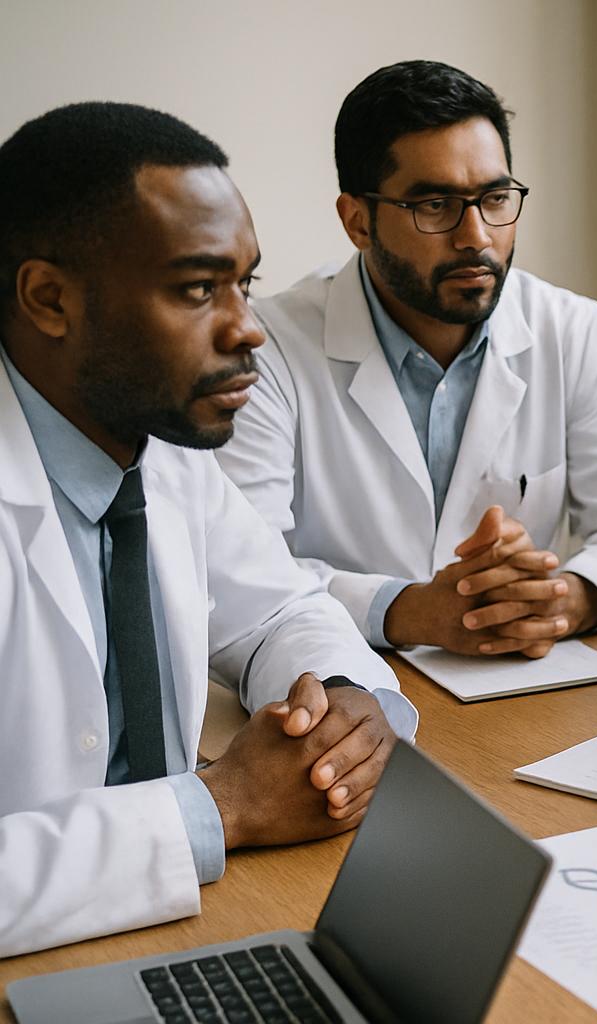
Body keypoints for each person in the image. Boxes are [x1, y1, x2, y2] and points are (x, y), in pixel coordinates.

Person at [0, 102, 417, 957]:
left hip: (174, 926)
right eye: (198, 289)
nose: (247, 329)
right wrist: (224, 805)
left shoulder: (158, 443)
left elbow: (277, 610)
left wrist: (345, 704)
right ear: (49, 299)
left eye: (245, 283)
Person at [216, 61, 597, 657]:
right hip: (338, 684)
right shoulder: (269, 349)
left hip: (519, 685)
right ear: (358, 220)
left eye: (494, 198)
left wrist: (562, 597)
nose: (476, 236)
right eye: (435, 205)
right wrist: (407, 611)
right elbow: (242, 575)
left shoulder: (570, 328)